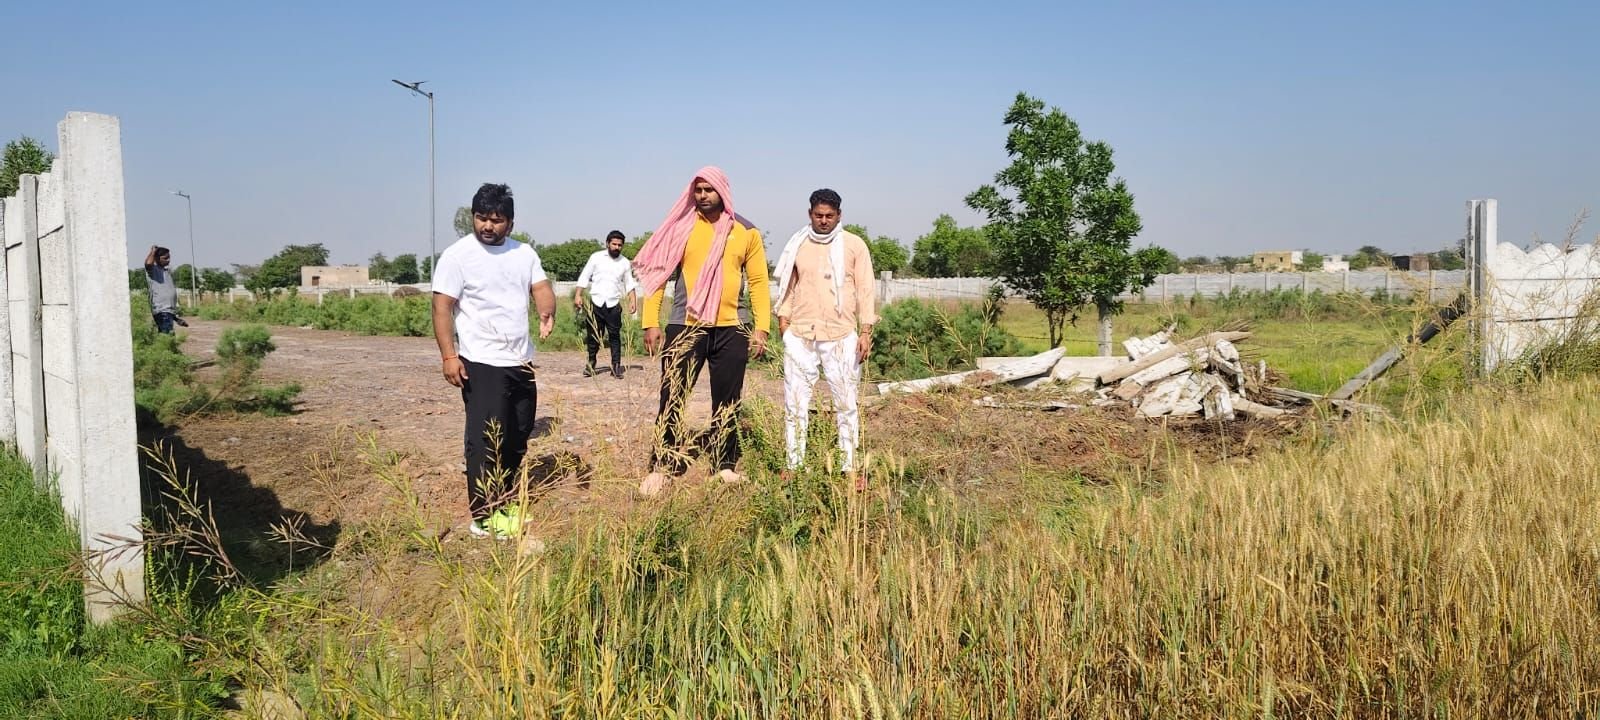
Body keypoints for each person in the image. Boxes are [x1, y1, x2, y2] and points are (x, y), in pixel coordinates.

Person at [633, 167, 770, 496]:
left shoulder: (745, 231)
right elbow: (658, 275)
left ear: (723, 191)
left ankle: (724, 466)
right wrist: (650, 321)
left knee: (727, 400)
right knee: (673, 397)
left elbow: (758, 282)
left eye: (710, 189)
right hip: (685, 326)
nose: (704, 195)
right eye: (698, 190)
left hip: (732, 328)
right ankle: (662, 466)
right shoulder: (680, 228)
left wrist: (761, 328)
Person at [430, 183, 556, 539]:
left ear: (510, 223)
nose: (488, 225)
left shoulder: (524, 254)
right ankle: (484, 517)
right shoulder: (458, 256)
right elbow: (442, 306)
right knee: (486, 440)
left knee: (517, 435)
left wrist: (547, 309)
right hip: (481, 361)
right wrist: (449, 355)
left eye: (496, 220)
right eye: (481, 218)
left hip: (520, 362)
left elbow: (541, 286)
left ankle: (506, 501)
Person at [773, 189, 876, 490]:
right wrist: (784, 324)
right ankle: (794, 465)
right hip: (801, 334)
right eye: (818, 215)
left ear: (839, 215)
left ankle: (849, 467)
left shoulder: (854, 245)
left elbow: (866, 289)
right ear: (810, 214)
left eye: (830, 216)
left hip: (842, 335)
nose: (824, 221)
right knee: (795, 404)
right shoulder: (798, 244)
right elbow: (788, 287)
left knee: (846, 403)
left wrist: (866, 330)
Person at [573, 230, 638, 378]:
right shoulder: (596, 258)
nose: (616, 247)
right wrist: (578, 294)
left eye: (619, 245)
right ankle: (591, 364)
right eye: (614, 244)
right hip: (595, 303)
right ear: (607, 243)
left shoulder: (625, 263)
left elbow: (629, 283)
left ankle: (616, 367)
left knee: (615, 336)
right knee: (594, 336)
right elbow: (584, 276)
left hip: (613, 305)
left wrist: (633, 301)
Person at [143, 245, 188, 333]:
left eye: (169, 257)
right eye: (165, 258)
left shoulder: (166, 271)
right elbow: (148, 263)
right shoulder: (153, 271)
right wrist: (153, 251)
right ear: (156, 258)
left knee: (167, 339)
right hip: (162, 312)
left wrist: (176, 319)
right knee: (167, 339)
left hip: (167, 312)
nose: (168, 260)